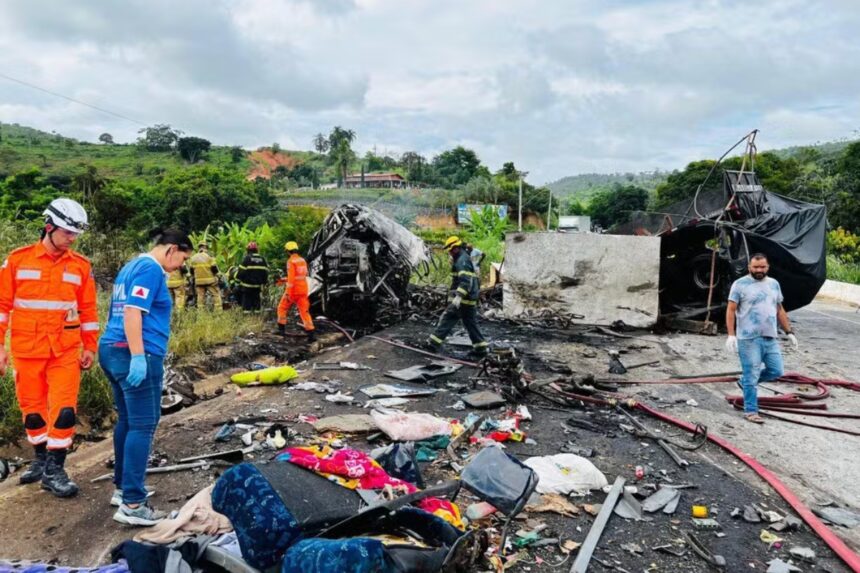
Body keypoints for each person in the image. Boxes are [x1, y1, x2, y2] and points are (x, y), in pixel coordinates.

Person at [0, 198, 99, 498]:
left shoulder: (81, 266)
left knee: (64, 411)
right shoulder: (17, 261)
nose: (72, 239)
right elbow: (2, 308)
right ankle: (41, 460)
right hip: (27, 350)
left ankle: (55, 470)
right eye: (67, 232)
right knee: (32, 412)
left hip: (65, 351)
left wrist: (90, 347)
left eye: (75, 234)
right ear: (49, 227)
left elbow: (89, 310)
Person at [99, 228, 193, 526]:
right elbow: (132, 312)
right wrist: (139, 356)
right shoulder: (151, 270)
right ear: (171, 249)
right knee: (143, 426)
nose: (181, 265)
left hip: (111, 350)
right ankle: (133, 504)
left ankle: (123, 488)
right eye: (182, 258)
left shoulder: (131, 266)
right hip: (133, 353)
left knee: (127, 421)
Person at [725, 253, 798, 424]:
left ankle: (744, 383)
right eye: (756, 267)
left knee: (776, 370)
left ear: (768, 267)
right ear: (749, 267)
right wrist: (731, 334)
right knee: (752, 375)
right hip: (748, 339)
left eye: (762, 267)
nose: (759, 270)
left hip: (770, 337)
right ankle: (751, 410)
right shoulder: (740, 284)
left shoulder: (774, 284)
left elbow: (779, 309)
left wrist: (789, 332)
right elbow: (730, 310)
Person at [427, 236, 488, 357]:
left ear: (455, 248)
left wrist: (458, 297)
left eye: (450, 250)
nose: (449, 253)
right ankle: (481, 348)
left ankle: (433, 343)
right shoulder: (463, 257)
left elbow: (465, 280)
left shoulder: (461, 260)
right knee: (470, 323)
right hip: (469, 297)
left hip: (464, 299)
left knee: (449, 318)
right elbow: (461, 280)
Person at [277, 241, 315, 341]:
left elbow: (292, 279)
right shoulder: (302, 260)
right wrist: (284, 279)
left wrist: (288, 293)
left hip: (293, 291)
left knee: (282, 308)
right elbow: (301, 276)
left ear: (288, 251)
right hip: (303, 290)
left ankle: (281, 331)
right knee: (304, 312)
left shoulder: (291, 261)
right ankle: (311, 334)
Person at [236, 241, 269, 312]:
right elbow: (265, 273)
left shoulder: (247, 258)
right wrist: (264, 283)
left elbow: (241, 272)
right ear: (257, 250)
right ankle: (257, 316)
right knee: (257, 301)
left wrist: (237, 282)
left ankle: (247, 318)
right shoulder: (262, 259)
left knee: (246, 302)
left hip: (247, 286)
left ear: (248, 250)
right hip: (257, 286)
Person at [188, 242, 221, 311]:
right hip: (210, 281)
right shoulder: (209, 256)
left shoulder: (193, 258)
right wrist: (218, 276)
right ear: (205, 247)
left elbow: (191, 270)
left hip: (199, 281)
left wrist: (194, 277)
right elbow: (214, 267)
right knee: (216, 294)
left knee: (200, 296)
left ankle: (201, 313)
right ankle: (218, 311)